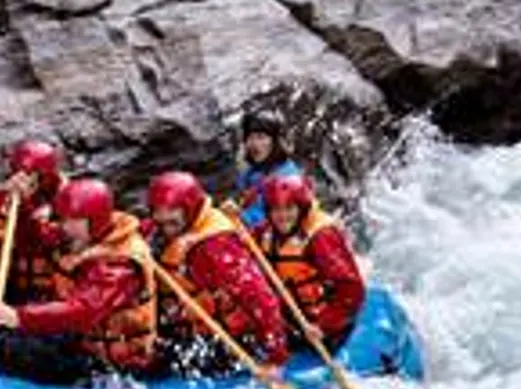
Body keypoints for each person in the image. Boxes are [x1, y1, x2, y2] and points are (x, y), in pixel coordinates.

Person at [0, 179, 159, 384]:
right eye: (64, 218)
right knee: (5, 340)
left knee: (10, 351)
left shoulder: (119, 265)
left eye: (74, 220)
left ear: (96, 220)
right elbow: (33, 242)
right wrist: (23, 207)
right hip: (83, 341)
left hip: (117, 365)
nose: (66, 225)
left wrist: (18, 316)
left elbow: (84, 311)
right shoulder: (78, 236)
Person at [145, 171, 287, 370]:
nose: (164, 226)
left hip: (230, 340)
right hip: (189, 325)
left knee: (151, 361)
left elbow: (261, 299)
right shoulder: (167, 227)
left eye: (172, 221)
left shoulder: (216, 246)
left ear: (189, 210)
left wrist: (276, 358)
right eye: (158, 216)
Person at [255, 173, 366, 354]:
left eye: (289, 208)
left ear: (301, 207)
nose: (282, 216)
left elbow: (351, 289)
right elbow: (241, 244)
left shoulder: (321, 237)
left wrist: (323, 326)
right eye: (276, 209)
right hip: (294, 321)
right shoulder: (265, 232)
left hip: (330, 323)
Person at [0, 139, 64, 305]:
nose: (23, 180)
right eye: (18, 173)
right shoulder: (0, 197)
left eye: (32, 175)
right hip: (7, 286)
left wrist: (24, 206)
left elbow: (38, 242)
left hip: (47, 292)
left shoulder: (64, 201)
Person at [227, 108, 305, 228]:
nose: (254, 144)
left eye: (261, 137)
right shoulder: (254, 171)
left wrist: (238, 216)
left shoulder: (286, 177)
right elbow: (239, 193)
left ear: (275, 142)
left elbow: (273, 219)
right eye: (250, 138)